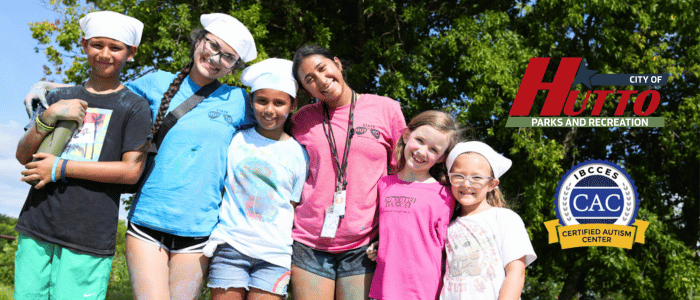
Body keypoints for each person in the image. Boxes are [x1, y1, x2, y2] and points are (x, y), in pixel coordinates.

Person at [13, 11, 151, 299]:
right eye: (97, 44)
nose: (104, 54)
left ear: (131, 53)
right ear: (84, 44)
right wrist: (48, 116)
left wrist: (59, 168)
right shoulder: (57, 98)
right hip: (37, 223)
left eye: (115, 47)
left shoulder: (135, 107)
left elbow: (130, 171)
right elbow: (23, 156)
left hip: (89, 235)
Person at [122, 13, 257, 300]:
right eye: (212, 45)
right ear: (199, 40)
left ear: (233, 66)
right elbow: (105, 97)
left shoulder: (238, 101)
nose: (216, 58)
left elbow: (278, 124)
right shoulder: (156, 81)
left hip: (199, 231)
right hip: (147, 221)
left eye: (229, 57)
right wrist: (55, 90)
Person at [290, 44, 407, 300]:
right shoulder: (301, 120)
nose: (321, 80)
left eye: (323, 69)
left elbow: (403, 176)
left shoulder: (386, 109)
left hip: (364, 245)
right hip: (309, 241)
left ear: (337, 63)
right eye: (310, 80)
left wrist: (390, 234)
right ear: (305, 88)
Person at [201, 58, 308, 300]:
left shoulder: (299, 154)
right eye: (262, 101)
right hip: (230, 246)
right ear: (252, 102)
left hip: (275, 255)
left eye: (279, 103)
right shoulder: (235, 140)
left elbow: (290, 207)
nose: (270, 110)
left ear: (293, 105)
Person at [367, 110, 460, 300]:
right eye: (420, 140)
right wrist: (380, 245)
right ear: (407, 135)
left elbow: (445, 247)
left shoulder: (444, 195)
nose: (422, 151)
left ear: (442, 157)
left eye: (434, 150)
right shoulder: (384, 184)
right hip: (384, 285)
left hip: (422, 289)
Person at [439, 141, 537, 300]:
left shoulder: (505, 219)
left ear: (492, 184)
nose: (466, 183)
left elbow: (516, 273)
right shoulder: (447, 226)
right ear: (449, 179)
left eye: (476, 177)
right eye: (458, 176)